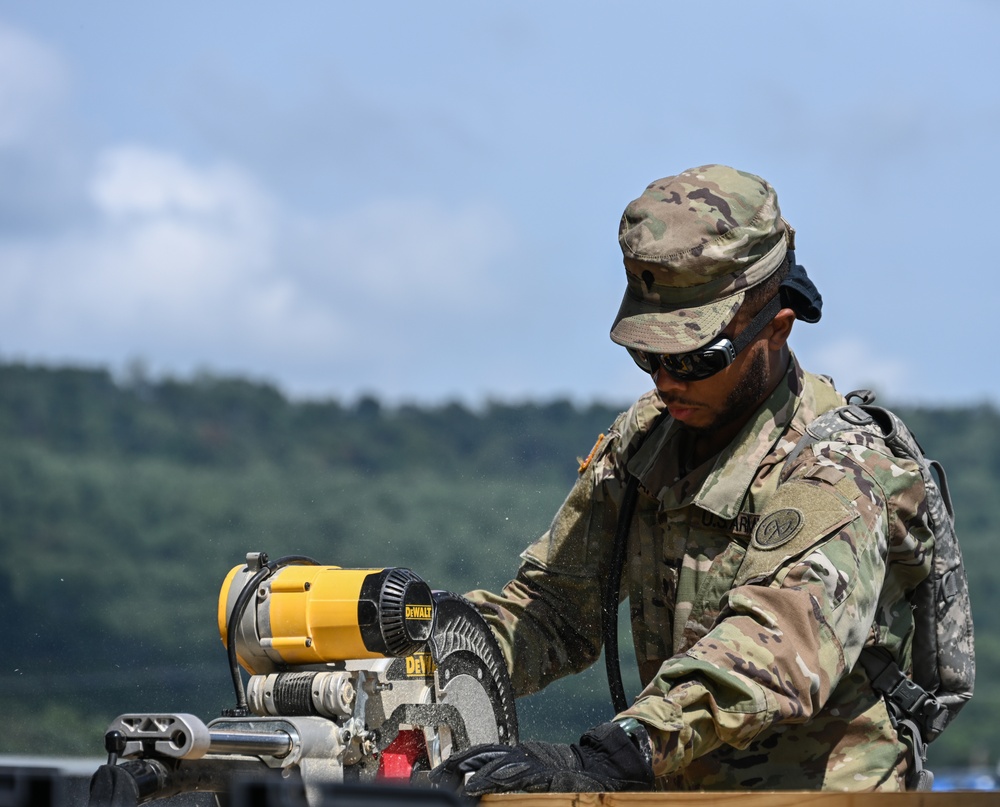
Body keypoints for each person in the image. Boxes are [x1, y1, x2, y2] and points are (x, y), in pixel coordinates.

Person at [429, 164, 932, 793]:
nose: (666, 381)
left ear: (776, 328)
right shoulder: (646, 441)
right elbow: (553, 612)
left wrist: (619, 751)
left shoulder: (841, 466)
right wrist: (423, 650)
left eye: (694, 358)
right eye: (649, 356)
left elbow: (774, 652)